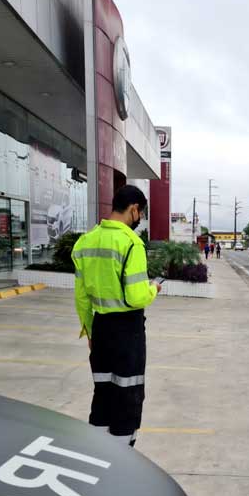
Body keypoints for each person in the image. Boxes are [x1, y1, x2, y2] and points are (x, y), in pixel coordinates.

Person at [72, 185, 161, 449]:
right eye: (140, 213)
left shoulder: (85, 242)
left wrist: (89, 331)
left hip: (100, 328)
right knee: (128, 396)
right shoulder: (131, 243)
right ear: (134, 209)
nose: (140, 219)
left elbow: (81, 298)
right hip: (127, 331)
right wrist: (152, 289)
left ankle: (98, 453)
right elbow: (135, 296)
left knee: (103, 395)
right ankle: (123, 457)